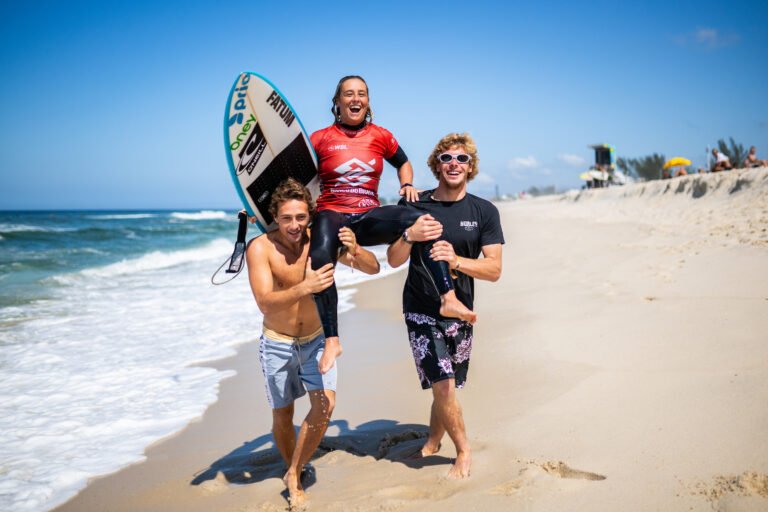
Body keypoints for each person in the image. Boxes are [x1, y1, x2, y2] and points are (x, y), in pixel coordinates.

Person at [309, 75, 473, 375]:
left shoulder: (380, 136)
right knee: (319, 257)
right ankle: (332, 339)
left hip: (367, 216)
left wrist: (407, 183)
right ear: (337, 102)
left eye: (361, 94)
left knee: (423, 220)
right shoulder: (319, 138)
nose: (355, 99)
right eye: (348, 94)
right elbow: (300, 181)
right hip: (330, 212)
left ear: (368, 101)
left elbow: (403, 162)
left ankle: (448, 297)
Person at [245, 178, 380, 508]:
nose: (294, 226)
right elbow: (265, 302)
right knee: (283, 414)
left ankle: (293, 472)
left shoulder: (320, 241)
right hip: (277, 343)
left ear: (311, 215)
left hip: (317, 340)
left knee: (325, 406)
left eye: (301, 218)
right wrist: (305, 286)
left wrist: (355, 249)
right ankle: (292, 464)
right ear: (275, 216)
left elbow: (374, 269)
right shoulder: (260, 248)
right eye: (287, 218)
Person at [387, 133, 504, 479]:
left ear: (471, 168)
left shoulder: (484, 211)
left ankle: (434, 439)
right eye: (447, 158)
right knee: (444, 385)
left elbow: (494, 270)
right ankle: (464, 451)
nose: (454, 163)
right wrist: (409, 235)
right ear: (436, 165)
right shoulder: (416, 205)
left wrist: (456, 260)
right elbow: (394, 260)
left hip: (462, 310)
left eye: (462, 159)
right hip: (421, 308)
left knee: (448, 381)